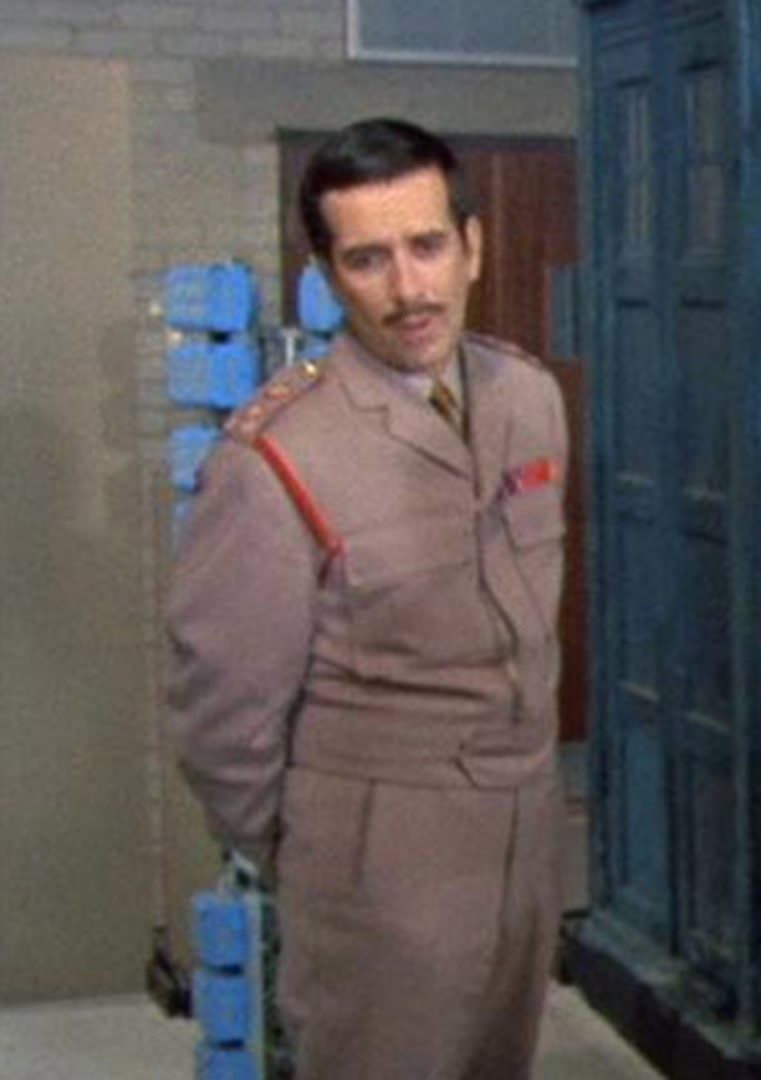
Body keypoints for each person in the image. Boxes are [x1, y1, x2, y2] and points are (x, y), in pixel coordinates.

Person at [167, 117, 569, 1079]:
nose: (409, 289)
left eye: (427, 246)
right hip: (376, 870)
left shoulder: (527, 398)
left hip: (524, 843)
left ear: (472, 246)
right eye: (368, 260)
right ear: (328, 274)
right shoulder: (274, 459)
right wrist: (324, 857)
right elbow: (224, 724)